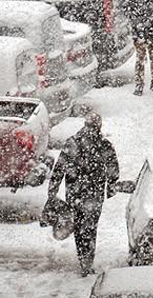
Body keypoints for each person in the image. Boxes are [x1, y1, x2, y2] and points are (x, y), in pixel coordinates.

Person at [47, 112, 120, 276]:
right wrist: (110, 186)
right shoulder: (104, 145)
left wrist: (53, 189)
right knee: (89, 228)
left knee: (80, 227)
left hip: (75, 193)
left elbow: (59, 168)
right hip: (93, 194)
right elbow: (113, 169)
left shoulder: (72, 143)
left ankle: (83, 259)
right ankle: (87, 261)